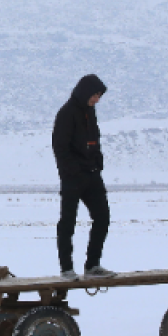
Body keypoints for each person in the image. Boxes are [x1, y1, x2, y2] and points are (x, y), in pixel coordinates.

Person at [51, 74, 115, 280]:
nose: (97, 100)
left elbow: (94, 141)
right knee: (68, 222)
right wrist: (72, 171)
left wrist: (97, 163)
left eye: (99, 96)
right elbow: (60, 147)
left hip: (92, 174)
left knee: (102, 217)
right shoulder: (67, 113)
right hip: (73, 177)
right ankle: (67, 268)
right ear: (85, 92)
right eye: (95, 95)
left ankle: (93, 265)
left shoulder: (90, 113)